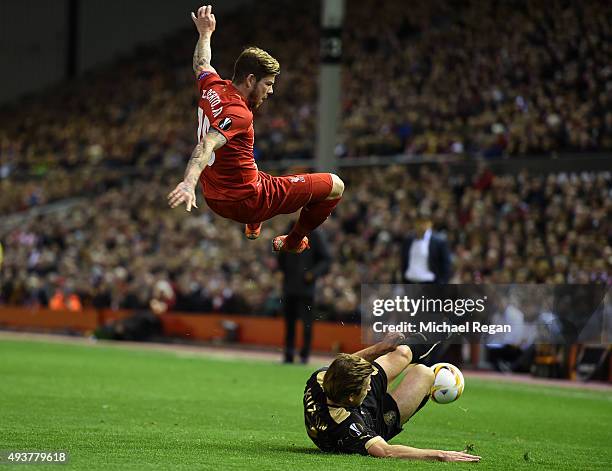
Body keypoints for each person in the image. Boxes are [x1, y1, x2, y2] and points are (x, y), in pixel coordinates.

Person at [167, 5, 344, 253]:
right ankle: (293, 242)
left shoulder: (213, 87)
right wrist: (188, 182)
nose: (270, 91)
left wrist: (205, 34)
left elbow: (202, 63)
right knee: (335, 185)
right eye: (268, 84)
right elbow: (207, 143)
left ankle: (253, 224)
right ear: (250, 80)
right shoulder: (237, 113)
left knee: (246, 161)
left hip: (214, 197)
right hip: (248, 201)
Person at [303, 332, 481, 462]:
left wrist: (380, 348)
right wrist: (441, 455)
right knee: (424, 373)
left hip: (350, 400)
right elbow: (386, 451)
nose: (371, 385)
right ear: (351, 397)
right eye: (367, 386)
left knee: (402, 352)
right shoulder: (350, 428)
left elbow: (345, 363)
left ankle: (441, 329)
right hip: (371, 421)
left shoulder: (322, 378)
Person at [278, 226, 331, 364]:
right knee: (289, 323)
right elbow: (281, 254)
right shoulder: (288, 230)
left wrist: (313, 274)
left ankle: (304, 355)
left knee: (306, 324)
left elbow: (326, 259)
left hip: (306, 288)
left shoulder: (315, 234)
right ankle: (288, 354)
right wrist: (282, 270)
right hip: (289, 286)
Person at [401, 208, 452, 284]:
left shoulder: (439, 241)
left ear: (430, 223)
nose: (421, 225)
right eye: (419, 222)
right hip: (410, 283)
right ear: (414, 223)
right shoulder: (408, 240)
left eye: (424, 222)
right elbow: (404, 262)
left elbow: (446, 265)